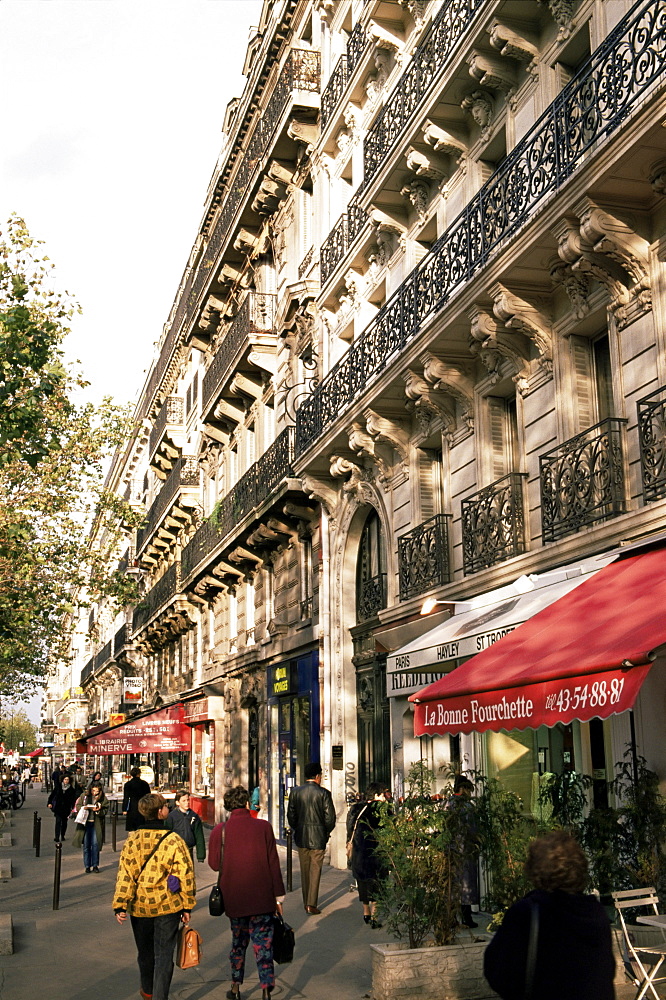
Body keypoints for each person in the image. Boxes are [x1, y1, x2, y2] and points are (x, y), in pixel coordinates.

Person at [484, 830, 615, 1000]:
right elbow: (606, 970)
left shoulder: (528, 913)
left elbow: (498, 972)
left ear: (535, 870)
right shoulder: (595, 913)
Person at [113, 792, 196, 1000]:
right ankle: (159, 996)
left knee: (145, 953)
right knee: (164, 955)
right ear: (160, 812)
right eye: (165, 806)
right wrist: (187, 905)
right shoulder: (173, 840)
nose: (167, 808)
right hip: (168, 906)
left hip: (140, 906)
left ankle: (147, 991)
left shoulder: (132, 841)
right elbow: (185, 874)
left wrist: (120, 904)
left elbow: (125, 874)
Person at [208, 785, 285, 1000]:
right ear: (245, 803)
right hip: (262, 899)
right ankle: (266, 988)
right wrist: (279, 895)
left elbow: (214, 864)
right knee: (264, 945)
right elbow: (273, 864)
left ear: (227, 806)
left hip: (235, 899)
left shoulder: (219, 830)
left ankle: (235, 987)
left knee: (238, 944)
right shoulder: (263, 827)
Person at [287, 762, 336, 914]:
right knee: (315, 870)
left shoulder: (295, 792)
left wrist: (298, 828)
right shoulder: (324, 794)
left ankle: (305, 901)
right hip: (318, 837)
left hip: (302, 836)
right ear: (317, 776)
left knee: (304, 870)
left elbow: (291, 816)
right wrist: (325, 832)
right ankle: (311, 903)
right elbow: (330, 818)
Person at [346, 782, 387, 928]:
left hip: (359, 853)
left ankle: (366, 912)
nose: (384, 798)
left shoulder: (356, 808)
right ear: (376, 795)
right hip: (377, 854)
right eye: (382, 794)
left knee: (362, 882)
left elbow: (349, 828)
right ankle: (375, 915)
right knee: (377, 882)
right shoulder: (382, 809)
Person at [447, 775, 480, 927]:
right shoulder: (467, 807)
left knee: (453, 884)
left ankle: (452, 918)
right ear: (463, 789)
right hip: (465, 848)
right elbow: (473, 829)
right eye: (469, 790)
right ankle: (466, 917)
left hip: (451, 849)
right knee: (466, 884)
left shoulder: (447, 804)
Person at [72, 780, 108, 872]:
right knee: (86, 845)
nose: (95, 793)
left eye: (97, 791)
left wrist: (99, 810)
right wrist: (85, 807)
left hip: (96, 824)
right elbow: (78, 805)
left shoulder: (102, 798)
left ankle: (95, 865)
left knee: (95, 845)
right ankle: (87, 865)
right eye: (93, 790)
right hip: (85, 823)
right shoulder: (84, 796)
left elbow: (105, 810)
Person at [164, 789, 206, 864]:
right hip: (175, 850)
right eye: (183, 801)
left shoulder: (194, 816)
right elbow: (166, 834)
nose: (187, 803)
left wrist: (201, 855)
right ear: (177, 802)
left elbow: (199, 836)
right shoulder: (171, 816)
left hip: (189, 849)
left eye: (188, 800)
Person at [47, 771, 77, 842]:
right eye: (65, 779)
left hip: (66, 808)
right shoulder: (58, 787)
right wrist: (49, 803)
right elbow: (52, 796)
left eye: (67, 780)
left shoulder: (71, 790)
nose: (66, 781)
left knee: (64, 822)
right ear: (62, 780)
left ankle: (62, 835)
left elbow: (73, 800)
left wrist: (73, 808)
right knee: (58, 821)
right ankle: (57, 836)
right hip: (58, 807)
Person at [123, 766, 151, 832]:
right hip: (143, 805)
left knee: (132, 828)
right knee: (142, 825)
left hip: (132, 806)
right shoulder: (144, 784)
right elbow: (148, 796)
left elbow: (126, 797)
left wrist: (124, 809)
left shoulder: (128, 784)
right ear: (139, 774)